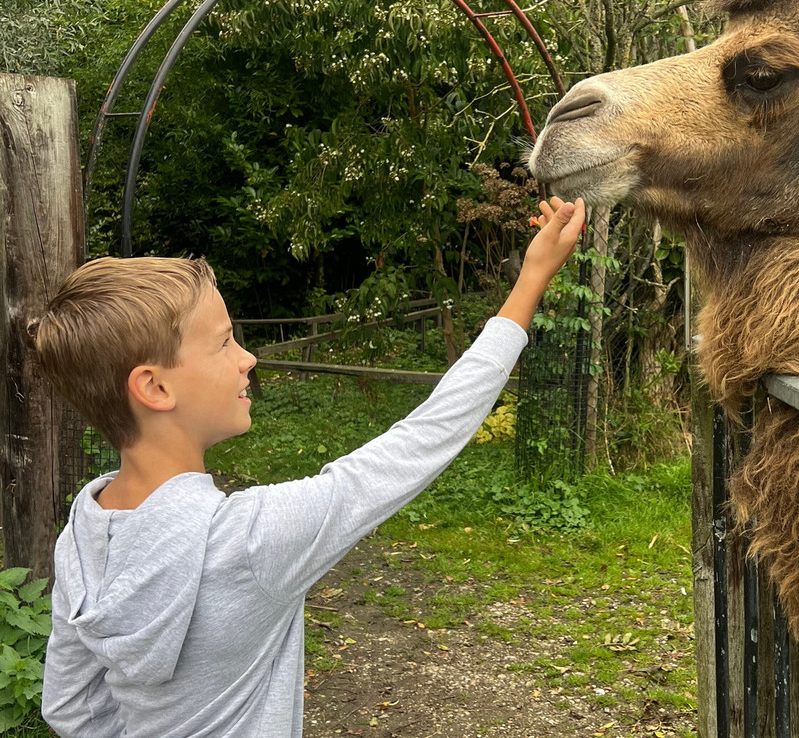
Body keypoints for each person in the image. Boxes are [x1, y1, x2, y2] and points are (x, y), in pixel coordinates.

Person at [33, 196, 587, 738]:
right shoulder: (249, 543)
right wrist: (533, 274)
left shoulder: (84, 534)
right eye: (225, 343)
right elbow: (426, 437)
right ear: (154, 387)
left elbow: (71, 706)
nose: (247, 357)